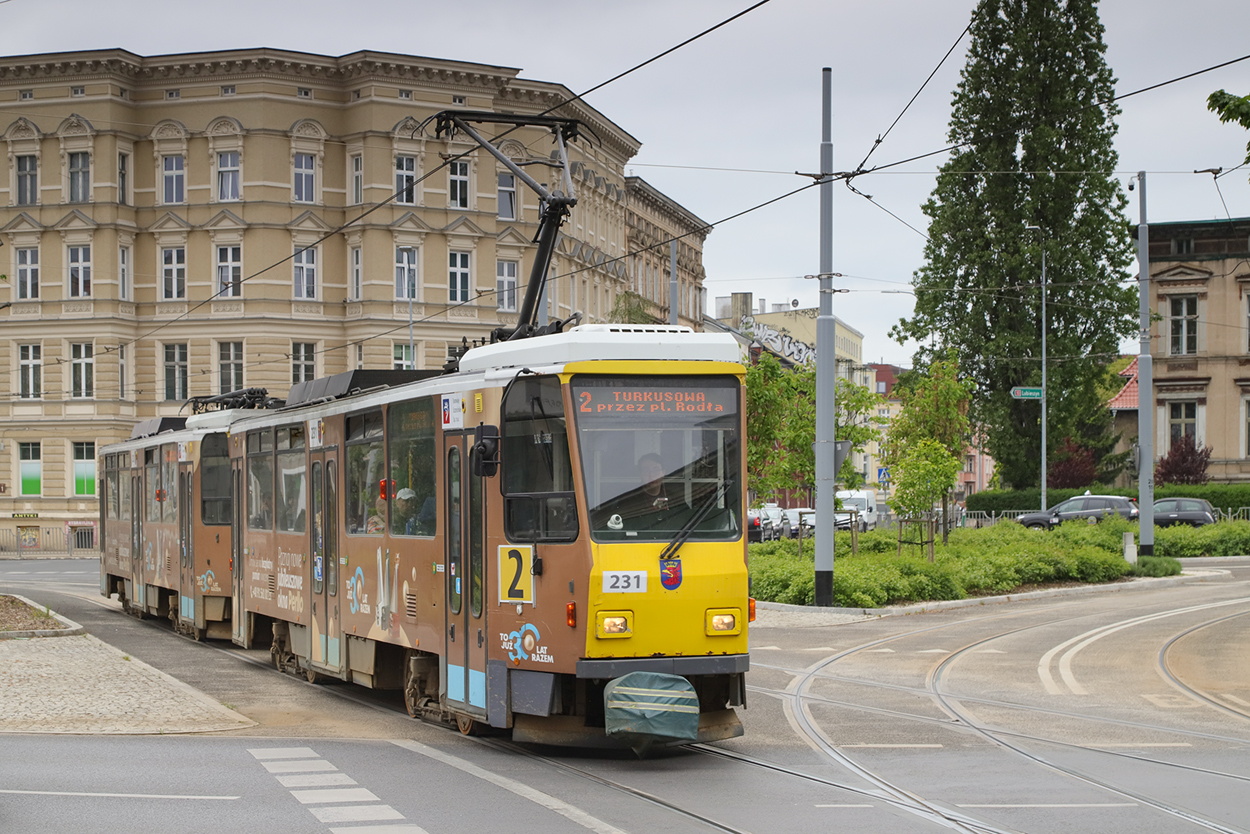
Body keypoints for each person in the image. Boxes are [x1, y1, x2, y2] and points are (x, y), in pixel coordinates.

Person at [599, 453, 689, 532]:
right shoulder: (628, 501)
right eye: (646, 470)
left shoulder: (676, 499)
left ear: (663, 473)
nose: (651, 475)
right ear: (640, 474)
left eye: (656, 470)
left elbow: (686, 524)